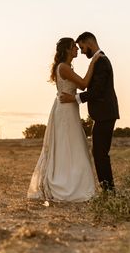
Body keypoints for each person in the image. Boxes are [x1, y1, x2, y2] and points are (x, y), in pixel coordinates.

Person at [27, 37, 102, 201]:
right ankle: (67, 185)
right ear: (67, 50)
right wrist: (93, 62)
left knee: (72, 145)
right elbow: (83, 84)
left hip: (69, 108)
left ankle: (72, 182)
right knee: (71, 145)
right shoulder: (63, 67)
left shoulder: (66, 67)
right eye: (74, 47)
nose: (77, 50)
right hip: (66, 111)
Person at [59, 32, 119, 191]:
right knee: (99, 153)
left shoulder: (101, 62)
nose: (82, 51)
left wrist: (74, 99)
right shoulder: (98, 61)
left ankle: (109, 191)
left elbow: (97, 91)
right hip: (103, 114)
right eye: (78, 48)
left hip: (105, 114)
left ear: (89, 42)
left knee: (100, 154)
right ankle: (108, 190)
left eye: (82, 47)